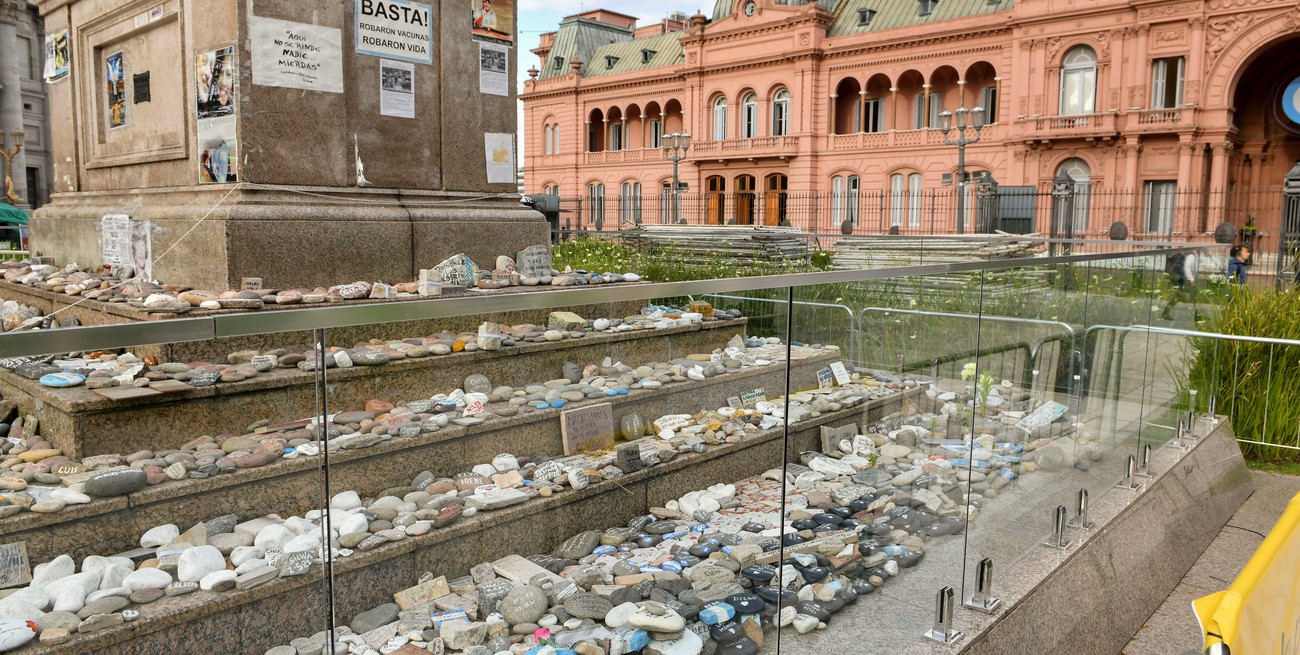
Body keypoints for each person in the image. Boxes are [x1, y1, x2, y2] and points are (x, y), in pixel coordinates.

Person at [1161, 250, 1198, 320]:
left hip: (1179, 277)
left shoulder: (1189, 254)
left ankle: (1165, 313)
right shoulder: (1191, 255)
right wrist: (1191, 280)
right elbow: (1187, 268)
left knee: (1179, 296)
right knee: (1192, 296)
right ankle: (1197, 316)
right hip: (1179, 277)